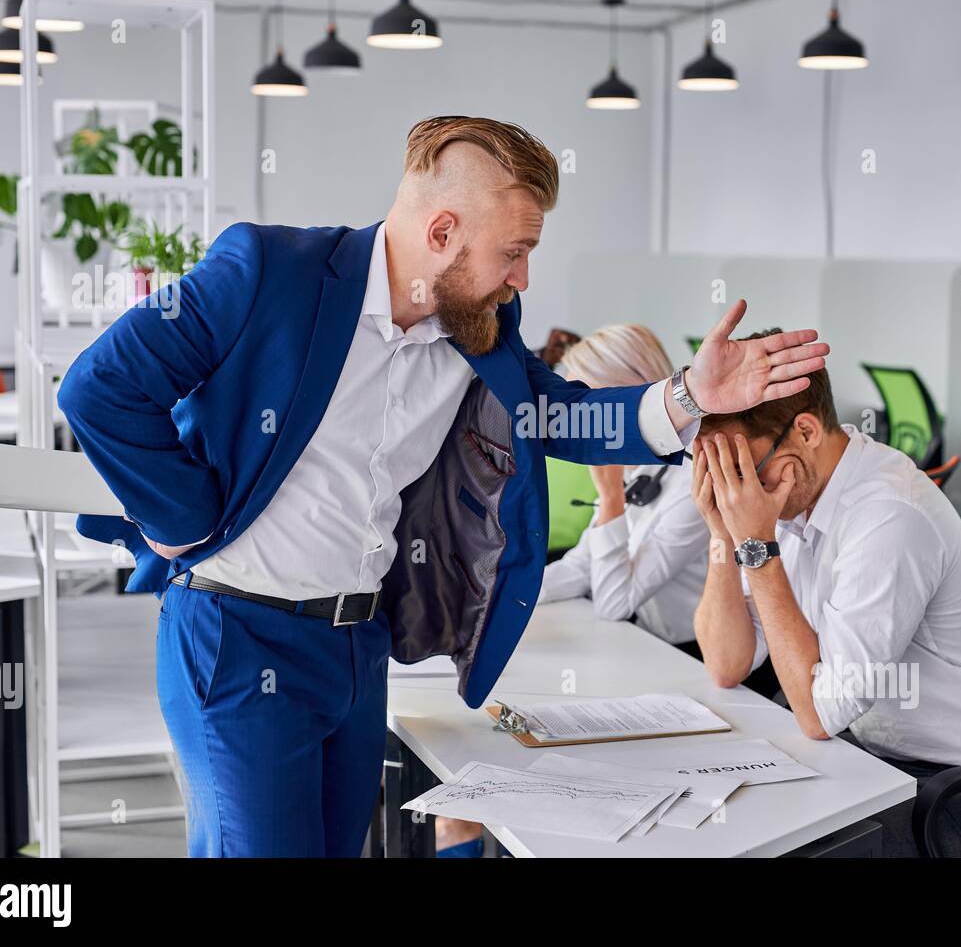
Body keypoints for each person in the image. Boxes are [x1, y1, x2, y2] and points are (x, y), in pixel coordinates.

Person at [57, 118, 830, 857]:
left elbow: (553, 416)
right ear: (441, 235)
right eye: (514, 252)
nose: (522, 278)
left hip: (357, 644)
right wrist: (183, 519)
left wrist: (690, 394)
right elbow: (100, 388)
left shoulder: (480, 318)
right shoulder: (267, 271)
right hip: (236, 631)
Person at [690, 330, 961, 857]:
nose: (737, 492)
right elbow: (727, 664)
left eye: (744, 470)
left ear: (805, 431)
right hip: (874, 758)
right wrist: (721, 535)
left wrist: (757, 547)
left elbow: (821, 716)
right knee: (725, 823)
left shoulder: (889, 513)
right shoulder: (795, 495)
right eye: (721, 475)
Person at [539, 323, 782, 697]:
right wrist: (504, 600)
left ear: (627, 393)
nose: (577, 420)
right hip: (651, 646)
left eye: (586, 401)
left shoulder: (693, 479)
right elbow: (580, 564)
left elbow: (613, 603)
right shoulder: (636, 465)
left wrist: (610, 499)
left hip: (707, 664)